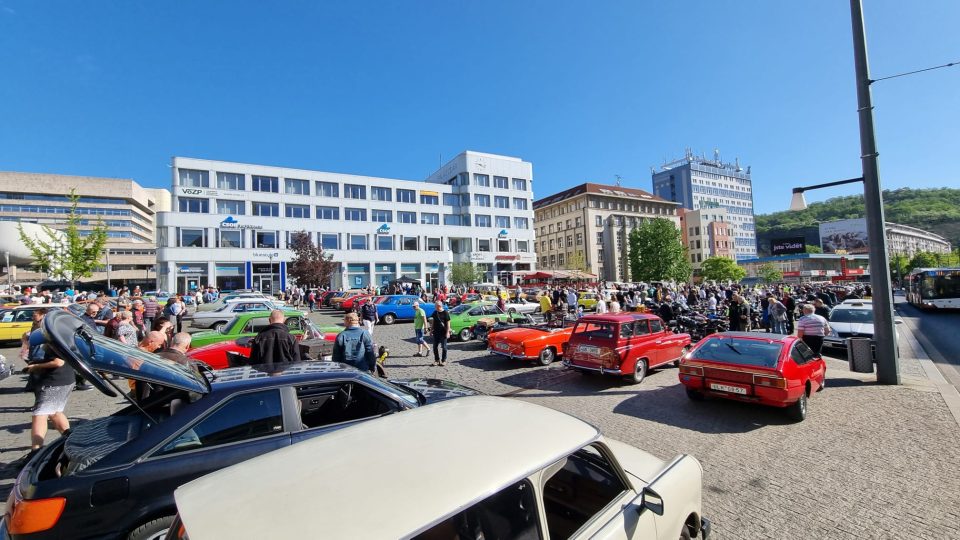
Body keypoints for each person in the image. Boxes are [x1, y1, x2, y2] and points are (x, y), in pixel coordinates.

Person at [26, 334, 75, 450]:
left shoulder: (54, 342)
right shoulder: (63, 339)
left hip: (55, 381)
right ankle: (70, 439)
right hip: (66, 379)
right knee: (55, 412)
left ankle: (36, 450)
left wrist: (36, 366)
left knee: (40, 415)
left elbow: (58, 362)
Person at [429, 300, 451, 366]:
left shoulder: (445, 313)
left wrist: (447, 332)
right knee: (435, 347)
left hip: (443, 333)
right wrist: (431, 330)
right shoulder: (435, 313)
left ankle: (443, 360)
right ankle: (437, 360)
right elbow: (433, 322)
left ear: (439, 306)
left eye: (435, 306)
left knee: (444, 347)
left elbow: (448, 324)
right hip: (436, 333)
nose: (434, 307)